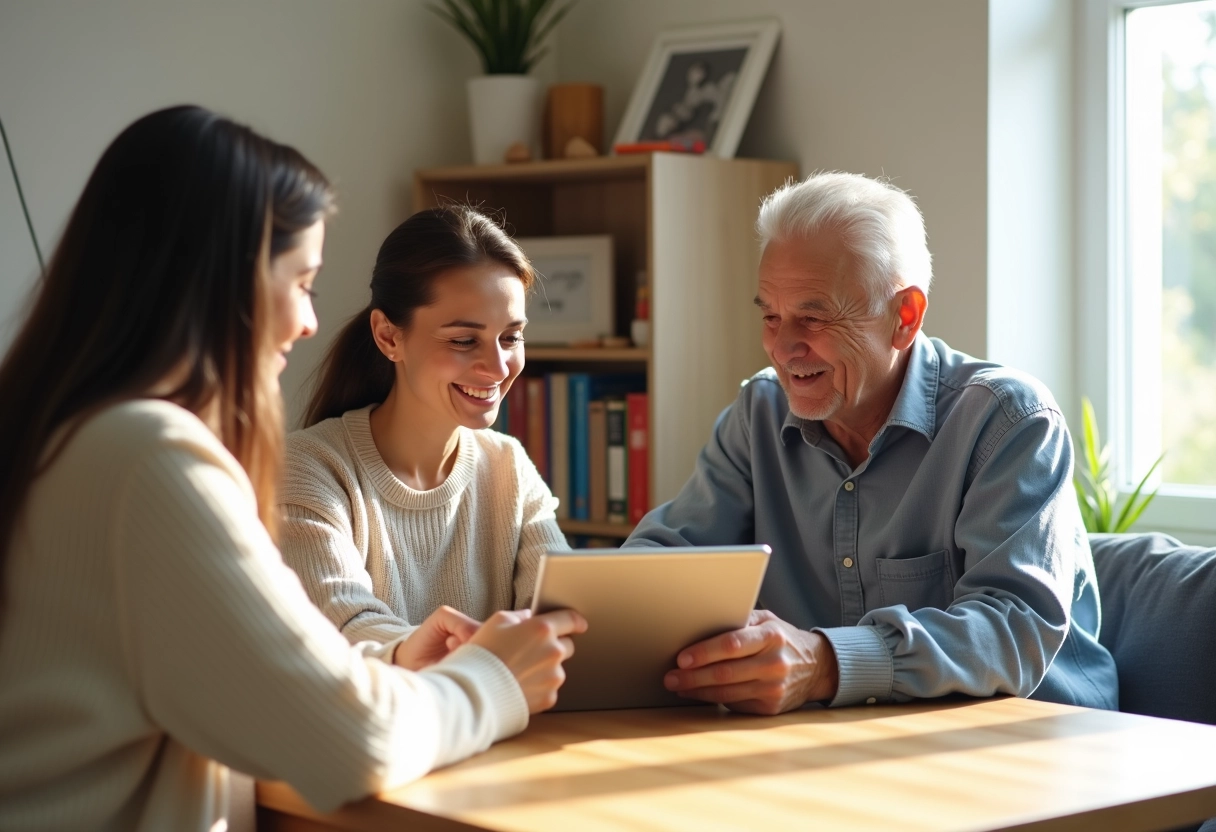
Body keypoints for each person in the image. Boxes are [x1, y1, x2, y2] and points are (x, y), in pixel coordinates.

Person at [0, 106, 586, 832]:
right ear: (221, 281)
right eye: (301, 281)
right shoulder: (147, 459)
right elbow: (348, 736)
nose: (310, 320)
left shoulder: (69, 438)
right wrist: (492, 679)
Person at [624, 171, 1117, 715]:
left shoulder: (1007, 421)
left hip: (1034, 741)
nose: (784, 348)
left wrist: (823, 662)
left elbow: (1011, 631)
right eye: (770, 316)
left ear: (904, 316)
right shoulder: (758, 413)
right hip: (851, 743)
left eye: (812, 317)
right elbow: (670, 559)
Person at [279, 206, 566, 665]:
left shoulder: (509, 466)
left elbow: (558, 614)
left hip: (500, 729)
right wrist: (496, 658)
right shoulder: (309, 469)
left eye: (511, 338)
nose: (496, 368)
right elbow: (347, 629)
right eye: (463, 340)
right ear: (389, 336)